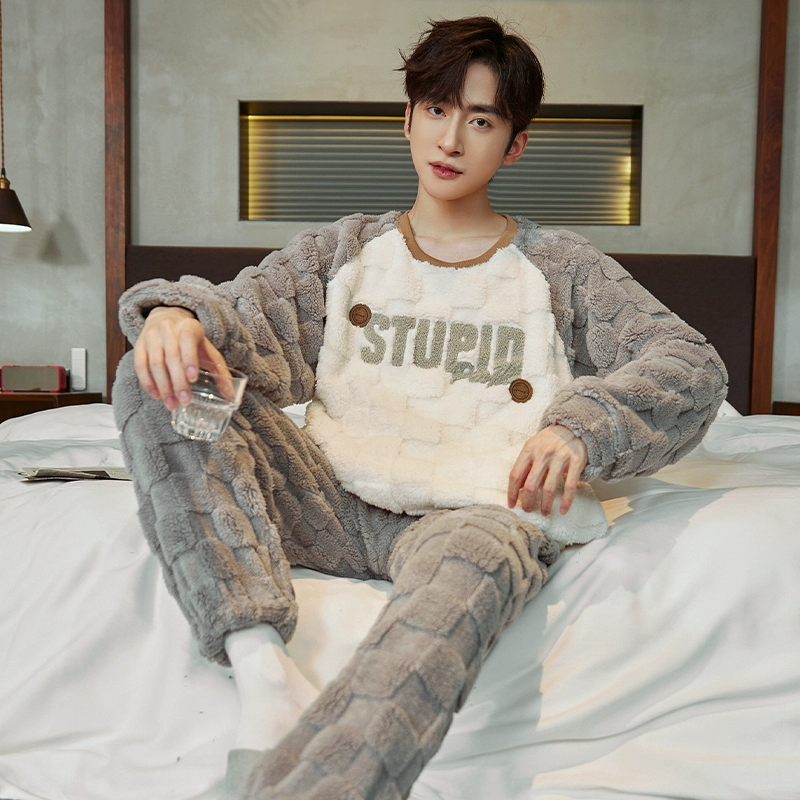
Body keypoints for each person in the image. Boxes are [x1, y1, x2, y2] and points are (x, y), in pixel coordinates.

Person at [113, 16, 727, 800]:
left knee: (474, 571)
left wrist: (584, 426)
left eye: (482, 121)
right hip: (325, 500)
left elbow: (690, 364)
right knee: (156, 377)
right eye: (437, 109)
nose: (451, 138)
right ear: (407, 117)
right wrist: (175, 317)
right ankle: (261, 667)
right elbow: (236, 323)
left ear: (515, 145)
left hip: (478, 510)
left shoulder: (560, 267)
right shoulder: (343, 252)